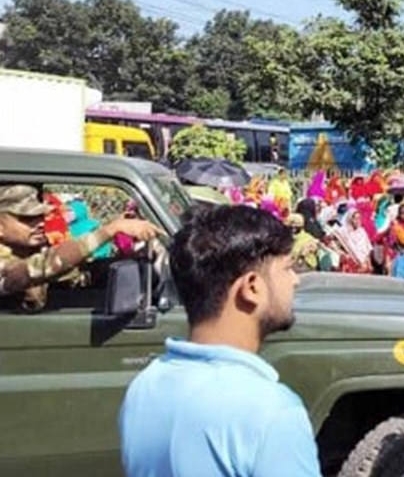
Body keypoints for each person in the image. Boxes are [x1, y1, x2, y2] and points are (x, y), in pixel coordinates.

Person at [119, 205, 320, 477]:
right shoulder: (272, 411)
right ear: (252, 288)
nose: (295, 280)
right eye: (286, 268)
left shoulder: (144, 386)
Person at [0, 184, 159, 309]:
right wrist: (111, 229)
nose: (40, 223)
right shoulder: (6, 263)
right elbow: (42, 266)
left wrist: (129, 261)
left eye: (41, 216)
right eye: (27, 219)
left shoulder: (31, 249)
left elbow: (76, 274)